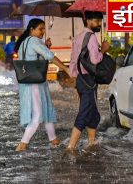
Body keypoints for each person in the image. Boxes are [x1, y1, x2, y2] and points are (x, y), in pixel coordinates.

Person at [14, 18, 71, 152]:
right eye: (40, 29)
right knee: (38, 115)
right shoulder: (33, 41)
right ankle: (22, 144)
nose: (43, 31)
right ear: (32, 29)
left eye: (44, 29)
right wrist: (66, 68)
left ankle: (53, 140)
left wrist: (46, 46)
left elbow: (36, 58)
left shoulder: (24, 42)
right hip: (34, 83)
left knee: (46, 111)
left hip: (32, 82)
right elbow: (49, 56)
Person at [66, 11, 110, 155]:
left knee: (93, 114)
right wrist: (103, 49)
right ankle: (70, 148)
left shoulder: (78, 37)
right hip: (89, 81)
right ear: (88, 20)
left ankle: (92, 143)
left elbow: (73, 62)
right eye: (96, 21)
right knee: (85, 113)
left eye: (100, 21)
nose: (99, 24)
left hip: (81, 79)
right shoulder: (91, 37)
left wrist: (76, 83)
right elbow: (95, 60)